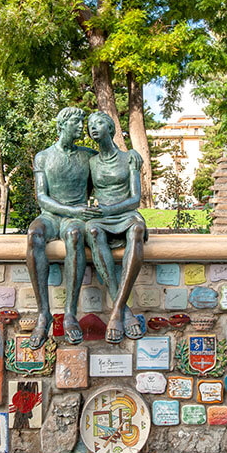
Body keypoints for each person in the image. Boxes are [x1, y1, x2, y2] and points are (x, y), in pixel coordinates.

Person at [26, 107, 99, 348]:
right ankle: (43, 313)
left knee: (76, 235)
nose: (81, 127)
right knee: (34, 234)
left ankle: (69, 314)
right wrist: (72, 210)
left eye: (81, 123)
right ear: (62, 125)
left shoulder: (89, 156)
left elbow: (106, 175)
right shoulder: (43, 157)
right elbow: (41, 197)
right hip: (51, 215)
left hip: (74, 217)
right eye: (76, 123)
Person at [84, 110, 148, 343]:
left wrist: (109, 210)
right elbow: (83, 195)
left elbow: (136, 198)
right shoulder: (91, 163)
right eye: (90, 124)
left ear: (110, 129)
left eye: (99, 122)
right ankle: (124, 311)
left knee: (137, 230)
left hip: (125, 212)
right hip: (102, 218)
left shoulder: (129, 157)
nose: (93, 127)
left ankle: (115, 311)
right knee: (92, 230)